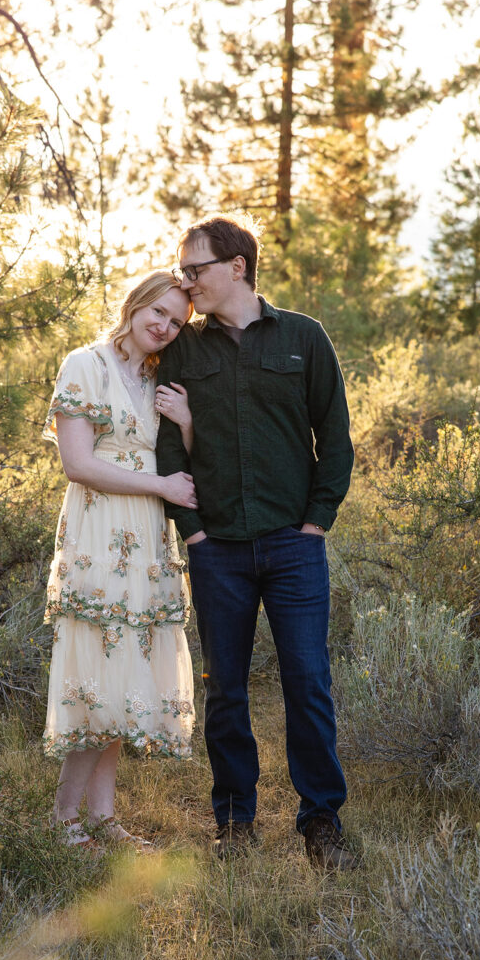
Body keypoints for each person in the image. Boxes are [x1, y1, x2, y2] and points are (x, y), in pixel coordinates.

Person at [155, 214, 356, 869]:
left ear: (236, 267)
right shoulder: (184, 349)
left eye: (195, 269)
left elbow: (334, 437)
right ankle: (234, 822)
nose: (186, 282)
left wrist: (315, 520)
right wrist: (195, 532)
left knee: (306, 680)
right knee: (227, 689)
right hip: (218, 551)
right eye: (183, 271)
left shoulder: (304, 337)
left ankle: (320, 823)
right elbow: (165, 444)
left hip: (293, 545)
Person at [42, 270, 197, 850]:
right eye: (156, 312)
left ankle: (104, 817)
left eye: (176, 321)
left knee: (123, 673)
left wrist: (185, 421)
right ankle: (64, 818)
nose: (163, 326)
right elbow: (77, 464)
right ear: (134, 306)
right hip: (101, 533)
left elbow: (186, 462)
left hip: (148, 544)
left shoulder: (158, 378)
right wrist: (158, 486)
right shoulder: (87, 364)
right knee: (95, 675)